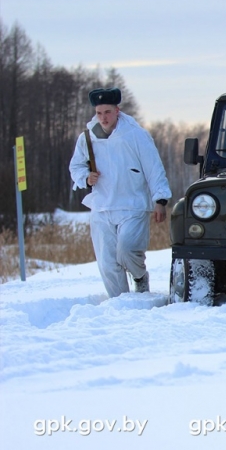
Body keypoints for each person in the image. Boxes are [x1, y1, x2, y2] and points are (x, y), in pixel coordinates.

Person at [69, 87, 171, 297]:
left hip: (133, 205)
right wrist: (86, 177)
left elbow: (153, 168)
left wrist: (160, 199)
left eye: (107, 112)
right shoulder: (87, 138)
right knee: (107, 262)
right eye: (99, 113)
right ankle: (119, 302)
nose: (103, 118)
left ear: (117, 110)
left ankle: (139, 277)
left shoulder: (136, 135)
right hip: (102, 206)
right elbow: (76, 166)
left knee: (127, 250)